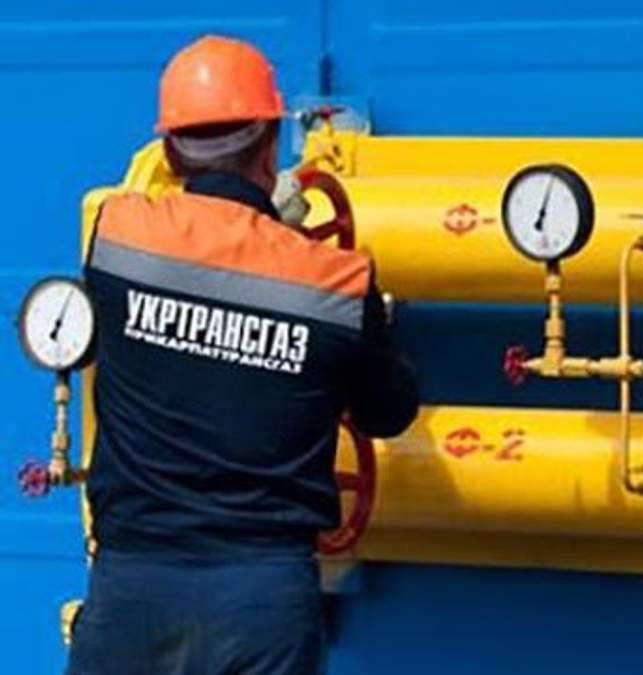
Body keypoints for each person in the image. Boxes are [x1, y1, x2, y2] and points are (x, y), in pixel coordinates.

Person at [68, 35, 419, 674]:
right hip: (261, 600)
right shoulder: (337, 286)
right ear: (271, 144)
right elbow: (388, 413)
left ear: (169, 150)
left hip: (131, 591)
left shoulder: (115, 238)